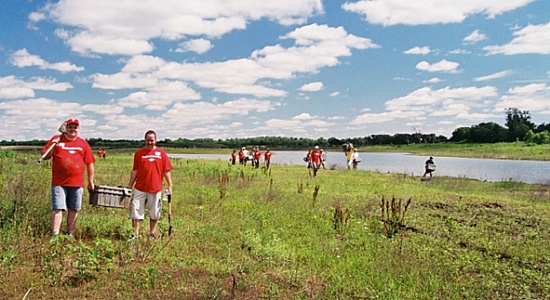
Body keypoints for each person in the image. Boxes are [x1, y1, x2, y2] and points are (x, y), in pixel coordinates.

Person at [41, 118, 95, 237]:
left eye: (75, 127)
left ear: (78, 129)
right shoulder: (57, 140)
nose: (73, 129)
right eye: (70, 127)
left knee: (73, 208)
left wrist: (90, 181)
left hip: (77, 183)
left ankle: (70, 233)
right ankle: (55, 235)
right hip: (59, 182)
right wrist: (54, 145)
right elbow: (45, 156)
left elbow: (90, 163)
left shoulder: (83, 143)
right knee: (58, 208)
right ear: (66, 128)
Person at [127, 130, 173, 240]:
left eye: (152, 140)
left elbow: (166, 171)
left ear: (155, 140)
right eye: (148, 140)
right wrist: (129, 186)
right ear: (145, 140)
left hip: (155, 188)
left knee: (154, 213)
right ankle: (136, 234)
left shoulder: (161, 154)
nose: (150, 142)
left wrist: (170, 185)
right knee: (136, 211)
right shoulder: (139, 154)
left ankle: (152, 234)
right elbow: (135, 171)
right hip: (140, 188)